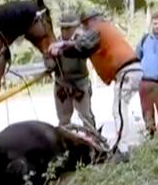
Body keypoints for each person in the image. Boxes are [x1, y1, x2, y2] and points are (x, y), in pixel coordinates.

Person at [47, 9, 142, 151]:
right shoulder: (103, 28)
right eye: (63, 27)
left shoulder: (96, 30)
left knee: (116, 111)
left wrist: (61, 50)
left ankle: (121, 148)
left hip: (123, 71)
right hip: (65, 84)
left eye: (84, 24)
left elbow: (80, 48)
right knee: (117, 110)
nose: (84, 27)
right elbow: (76, 47)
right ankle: (119, 146)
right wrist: (59, 49)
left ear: (91, 21)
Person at [44, 13, 96, 129]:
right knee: (63, 119)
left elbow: (85, 49)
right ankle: (67, 144)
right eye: (63, 28)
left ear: (75, 28)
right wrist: (49, 60)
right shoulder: (55, 43)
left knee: (86, 116)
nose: (65, 31)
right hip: (62, 85)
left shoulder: (81, 42)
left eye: (68, 28)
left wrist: (65, 47)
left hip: (80, 85)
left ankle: (93, 142)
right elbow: (49, 62)